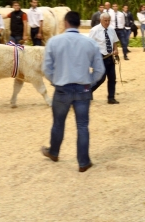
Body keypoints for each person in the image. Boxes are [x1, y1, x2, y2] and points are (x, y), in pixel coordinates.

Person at [41, 11, 105, 173]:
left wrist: (55, 80)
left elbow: (46, 69)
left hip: (62, 89)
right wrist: (89, 83)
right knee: (82, 126)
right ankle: (83, 162)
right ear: (78, 24)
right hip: (83, 89)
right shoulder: (90, 43)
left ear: (65, 23)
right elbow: (99, 70)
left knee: (58, 123)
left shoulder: (54, 42)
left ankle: (54, 152)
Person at [89, 13, 120, 104]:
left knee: (112, 78)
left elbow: (114, 42)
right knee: (100, 78)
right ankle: (88, 91)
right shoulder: (94, 30)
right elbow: (89, 44)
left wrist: (116, 50)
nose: (107, 22)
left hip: (110, 57)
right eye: (105, 21)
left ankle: (111, 98)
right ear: (100, 20)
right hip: (100, 58)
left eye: (108, 21)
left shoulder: (111, 30)